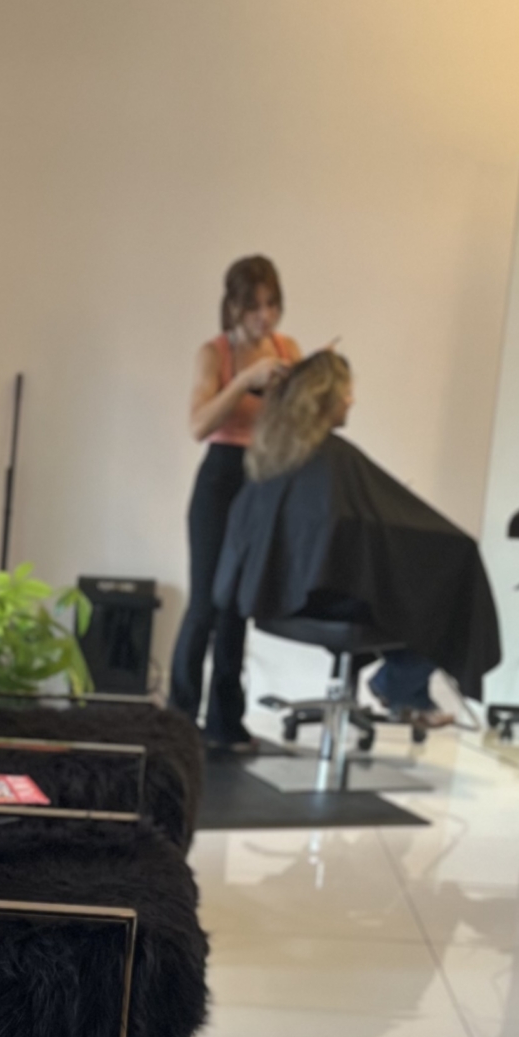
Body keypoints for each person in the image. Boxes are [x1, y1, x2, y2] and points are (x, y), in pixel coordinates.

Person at [218, 349, 498, 720]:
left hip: (280, 599)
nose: (352, 400)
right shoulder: (336, 458)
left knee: (403, 591)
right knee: (445, 584)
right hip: (327, 599)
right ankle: (401, 684)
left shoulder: (272, 455)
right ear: (327, 398)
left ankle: (400, 683)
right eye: (346, 392)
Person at [169, 255, 301, 752]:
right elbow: (198, 425)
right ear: (234, 307)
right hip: (220, 478)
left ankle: (226, 722)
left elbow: (297, 422)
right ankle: (180, 719)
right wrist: (245, 382)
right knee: (205, 603)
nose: (264, 317)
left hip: (262, 478)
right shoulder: (215, 353)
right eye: (254, 307)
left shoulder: (287, 350)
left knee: (236, 608)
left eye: (271, 305)